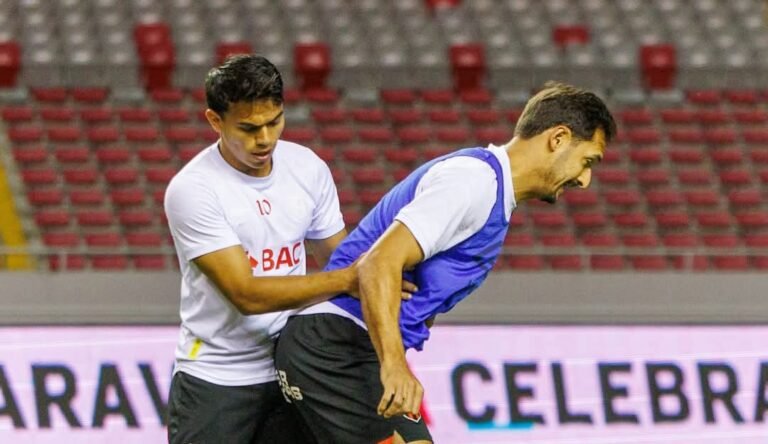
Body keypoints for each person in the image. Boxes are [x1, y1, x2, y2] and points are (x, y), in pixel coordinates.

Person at [274, 82, 617, 444]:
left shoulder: (492, 193)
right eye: (587, 160)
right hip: (333, 345)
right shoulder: (474, 183)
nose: (584, 179)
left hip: (354, 347)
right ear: (559, 138)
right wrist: (394, 365)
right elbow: (377, 264)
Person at [163, 54, 354, 444]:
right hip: (217, 377)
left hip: (296, 367)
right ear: (215, 121)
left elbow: (342, 257)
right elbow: (246, 294)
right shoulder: (194, 189)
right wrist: (351, 279)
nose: (265, 139)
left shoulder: (307, 168)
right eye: (248, 128)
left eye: (274, 122)